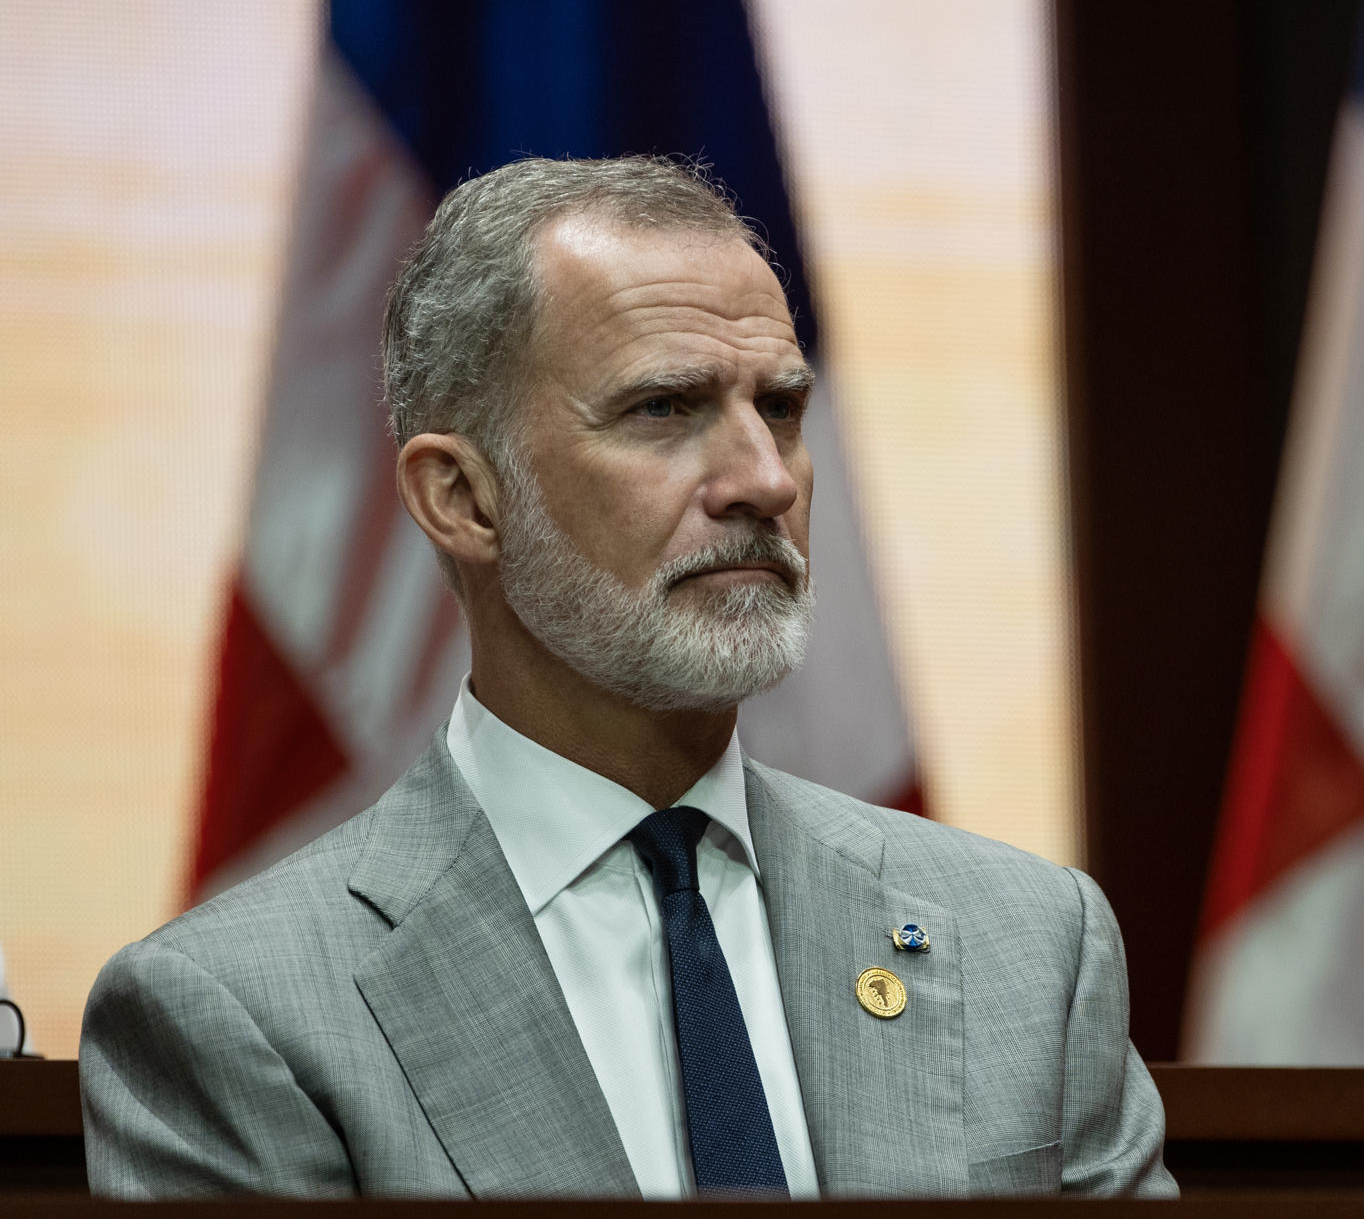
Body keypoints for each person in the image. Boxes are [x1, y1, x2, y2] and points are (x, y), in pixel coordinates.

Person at [79, 156, 1175, 1200]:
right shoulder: (238, 1010)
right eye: (664, 409)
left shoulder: (1029, 944)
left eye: (782, 408)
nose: (761, 478)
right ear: (463, 499)